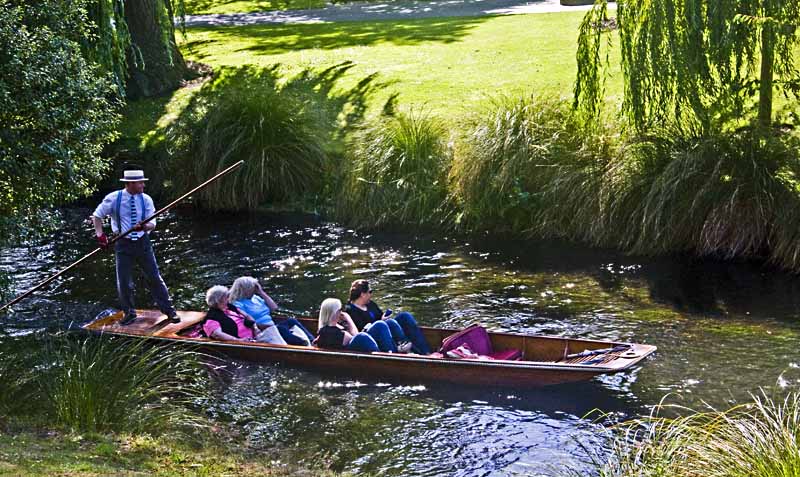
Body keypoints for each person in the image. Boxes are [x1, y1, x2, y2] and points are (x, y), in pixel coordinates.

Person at [91, 168, 179, 325]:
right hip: (122, 244)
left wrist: (144, 227)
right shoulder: (113, 198)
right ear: (130, 184)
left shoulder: (146, 200)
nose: (143, 186)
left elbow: (152, 224)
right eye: (140, 183)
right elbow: (97, 215)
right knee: (124, 281)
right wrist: (101, 236)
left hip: (142, 242)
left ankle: (169, 311)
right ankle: (129, 313)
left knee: (154, 277)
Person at [344, 279, 431, 354]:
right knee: (384, 324)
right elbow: (357, 333)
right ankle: (403, 352)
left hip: (384, 331)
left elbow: (380, 316)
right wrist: (381, 321)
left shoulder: (370, 304)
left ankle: (425, 353)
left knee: (405, 316)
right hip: (372, 338)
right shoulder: (350, 310)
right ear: (362, 294)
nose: (371, 294)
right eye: (370, 292)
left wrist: (384, 317)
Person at [228, 276, 314, 346]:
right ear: (245, 290)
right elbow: (245, 322)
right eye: (253, 288)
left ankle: (312, 340)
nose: (254, 290)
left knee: (291, 321)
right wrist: (268, 326)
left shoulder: (256, 298)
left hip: (271, 324)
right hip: (262, 329)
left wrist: (261, 292)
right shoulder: (238, 304)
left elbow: (274, 307)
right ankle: (302, 344)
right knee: (281, 329)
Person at [314, 298, 397, 352]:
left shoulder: (328, 328)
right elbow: (356, 336)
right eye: (340, 310)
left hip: (356, 348)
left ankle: (394, 350)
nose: (342, 312)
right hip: (353, 354)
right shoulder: (331, 332)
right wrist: (349, 319)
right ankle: (389, 355)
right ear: (335, 313)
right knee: (362, 336)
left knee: (380, 325)